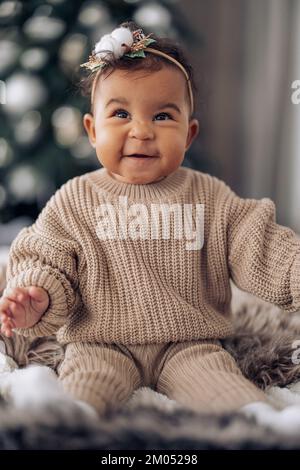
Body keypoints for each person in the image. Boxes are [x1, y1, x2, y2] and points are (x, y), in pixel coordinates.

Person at [1, 20, 300, 430]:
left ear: (189, 134)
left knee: (222, 385)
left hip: (189, 342)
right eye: (120, 113)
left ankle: (268, 423)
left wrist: (293, 270)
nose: (140, 131)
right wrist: (37, 295)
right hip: (101, 341)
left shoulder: (209, 196)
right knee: (85, 384)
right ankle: (56, 409)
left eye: (162, 115)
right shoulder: (75, 199)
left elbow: (258, 243)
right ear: (92, 130)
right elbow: (46, 256)